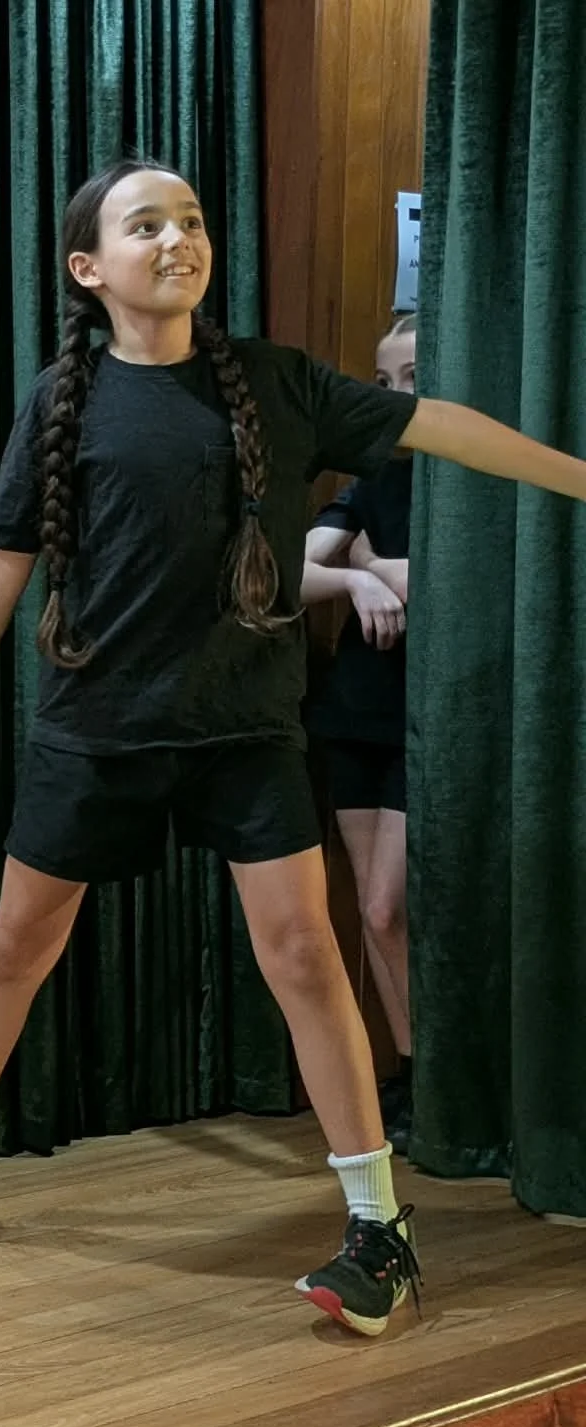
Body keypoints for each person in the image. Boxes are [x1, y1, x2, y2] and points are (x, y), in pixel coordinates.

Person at [0, 161, 586, 1337]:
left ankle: (375, 1230)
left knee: (303, 956)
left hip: (245, 727)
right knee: (14, 945)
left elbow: (434, 426)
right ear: (89, 268)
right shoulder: (61, 399)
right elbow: (3, 562)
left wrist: (577, 478)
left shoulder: (273, 383)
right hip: (94, 727)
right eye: (144, 224)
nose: (176, 238)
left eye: (190, 220)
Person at [301, 315, 418, 1153]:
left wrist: (375, 567)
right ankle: (411, 1072)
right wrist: (356, 571)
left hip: (427, 716)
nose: (392, 397)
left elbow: (443, 577)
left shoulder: (466, 477)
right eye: (382, 382)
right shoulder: (372, 474)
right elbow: (293, 571)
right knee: (373, 918)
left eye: (408, 377)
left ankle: (439, 1072)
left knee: (388, 901)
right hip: (355, 710)